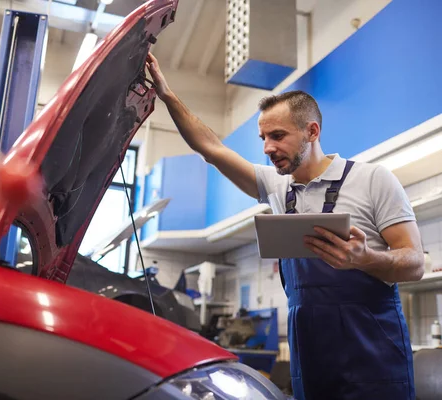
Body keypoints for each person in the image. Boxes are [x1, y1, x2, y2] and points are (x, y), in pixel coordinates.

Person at [146, 53, 424, 400]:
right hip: (309, 353)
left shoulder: (373, 179)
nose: (268, 148)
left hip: (372, 353)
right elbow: (212, 148)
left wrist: (365, 258)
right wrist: (167, 95)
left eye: (278, 136)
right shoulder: (278, 187)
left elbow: (414, 264)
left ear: (312, 131)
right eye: (263, 137)